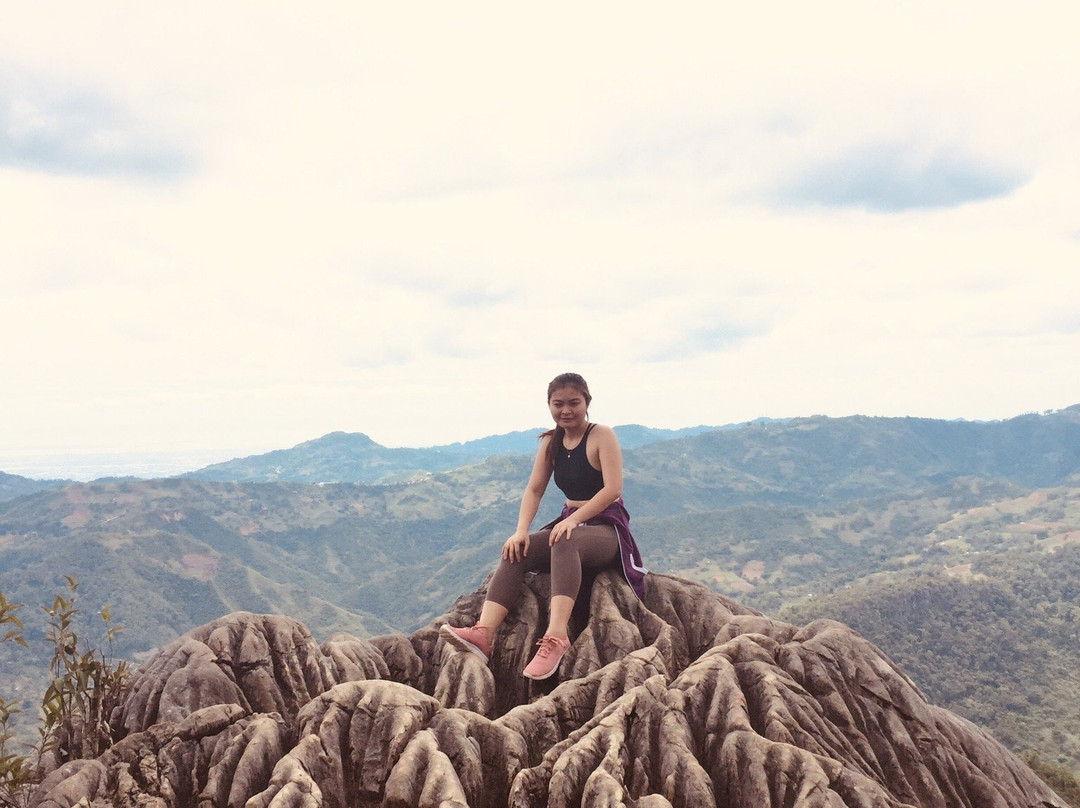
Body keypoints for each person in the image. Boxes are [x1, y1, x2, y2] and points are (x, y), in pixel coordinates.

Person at [440, 372, 647, 680]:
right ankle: (484, 634)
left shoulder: (602, 435)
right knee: (517, 551)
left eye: (574, 403)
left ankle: (556, 637)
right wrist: (521, 530)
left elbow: (612, 489)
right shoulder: (551, 442)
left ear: (587, 403)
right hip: (572, 525)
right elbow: (535, 489)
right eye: (558, 403)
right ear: (549, 405)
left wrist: (575, 519)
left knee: (563, 539)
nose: (566, 410)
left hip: (607, 528)